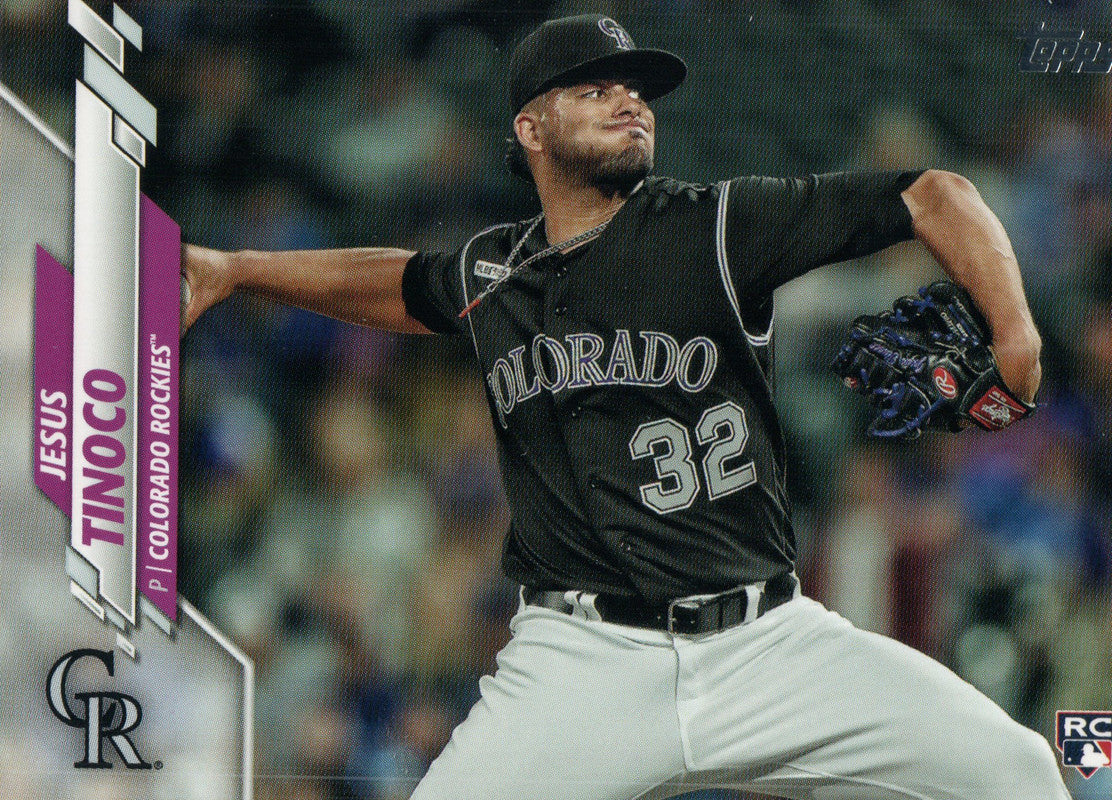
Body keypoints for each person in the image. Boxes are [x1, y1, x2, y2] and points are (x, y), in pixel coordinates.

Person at [183, 14, 1070, 800]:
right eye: (595, 89)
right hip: (581, 664)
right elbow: (399, 284)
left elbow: (934, 195)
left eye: (637, 91)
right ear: (531, 128)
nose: (630, 103)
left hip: (767, 645)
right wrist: (237, 270)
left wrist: (1016, 331)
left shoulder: (717, 227)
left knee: (1018, 773)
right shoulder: (494, 272)